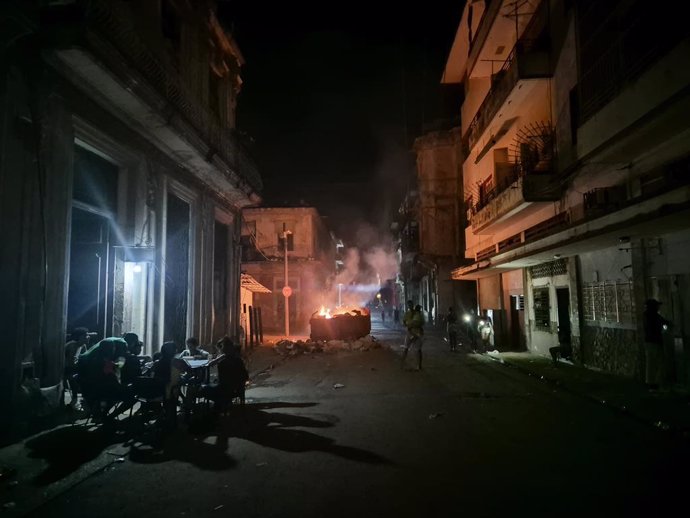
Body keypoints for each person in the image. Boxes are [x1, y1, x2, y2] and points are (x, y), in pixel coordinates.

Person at [201, 337, 249, 414]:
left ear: (222, 350)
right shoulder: (238, 360)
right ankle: (222, 404)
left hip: (226, 389)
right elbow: (245, 376)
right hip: (237, 388)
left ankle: (219, 405)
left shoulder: (223, 363)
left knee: (203, 389)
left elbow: (222, 381)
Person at [643, 299, 671, 390]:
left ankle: (651, 383)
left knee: (650, 364)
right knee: (659, 363)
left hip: (648, 342)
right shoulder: (654, 316)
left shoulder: (646, 316)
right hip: (655, 342)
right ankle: (656, 383)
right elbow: (664, 322)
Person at [63, 327, 91, 405]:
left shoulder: (83, 346)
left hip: (75, 369)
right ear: (80, 337)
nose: (88, 337)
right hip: (67, 369)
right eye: (86, 336)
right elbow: (67, 360)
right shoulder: (71, 345)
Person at [401, 302, 424, 370]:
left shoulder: (417, 314)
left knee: (418, 349)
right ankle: (402, 363)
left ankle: (419, 365)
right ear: (408, 306)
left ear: (413, 305)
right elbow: (404, 322)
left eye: (411, 305)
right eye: (409, 305)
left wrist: (411, 325)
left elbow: (421, 323)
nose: (410, 306)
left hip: (416, 332)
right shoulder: (407, 313)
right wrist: (408, 326)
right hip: (410, 332)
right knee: (406, 348)